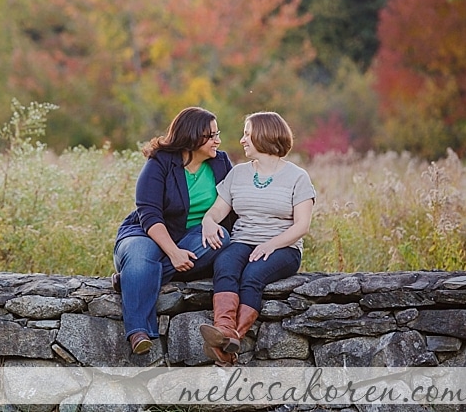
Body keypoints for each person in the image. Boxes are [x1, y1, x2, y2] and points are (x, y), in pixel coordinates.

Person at [112, 107, 236, 355]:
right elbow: (149, 213)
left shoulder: (221, 163)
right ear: (192, 137)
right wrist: (173, 252)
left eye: (217, 134)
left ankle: (132, 279)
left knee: (221, 238)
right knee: (140, 254)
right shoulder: (160, 163)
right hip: (147, 233)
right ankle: (139, 332)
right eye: (211, 135)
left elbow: (235, 204)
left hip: (193, 238)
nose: (218, 140)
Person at [198, 111, 315, 366]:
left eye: (247, 135)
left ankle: (232, 339)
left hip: (283, 247)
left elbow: (302, 225)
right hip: (243, 240)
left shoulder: (298, 177)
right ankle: (225, 331)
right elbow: (219, 208)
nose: (242, 140)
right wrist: (208, 221)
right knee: (225, 265)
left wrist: (271, 244)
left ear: (264, 136)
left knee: (252, 276)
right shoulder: (238, 174)